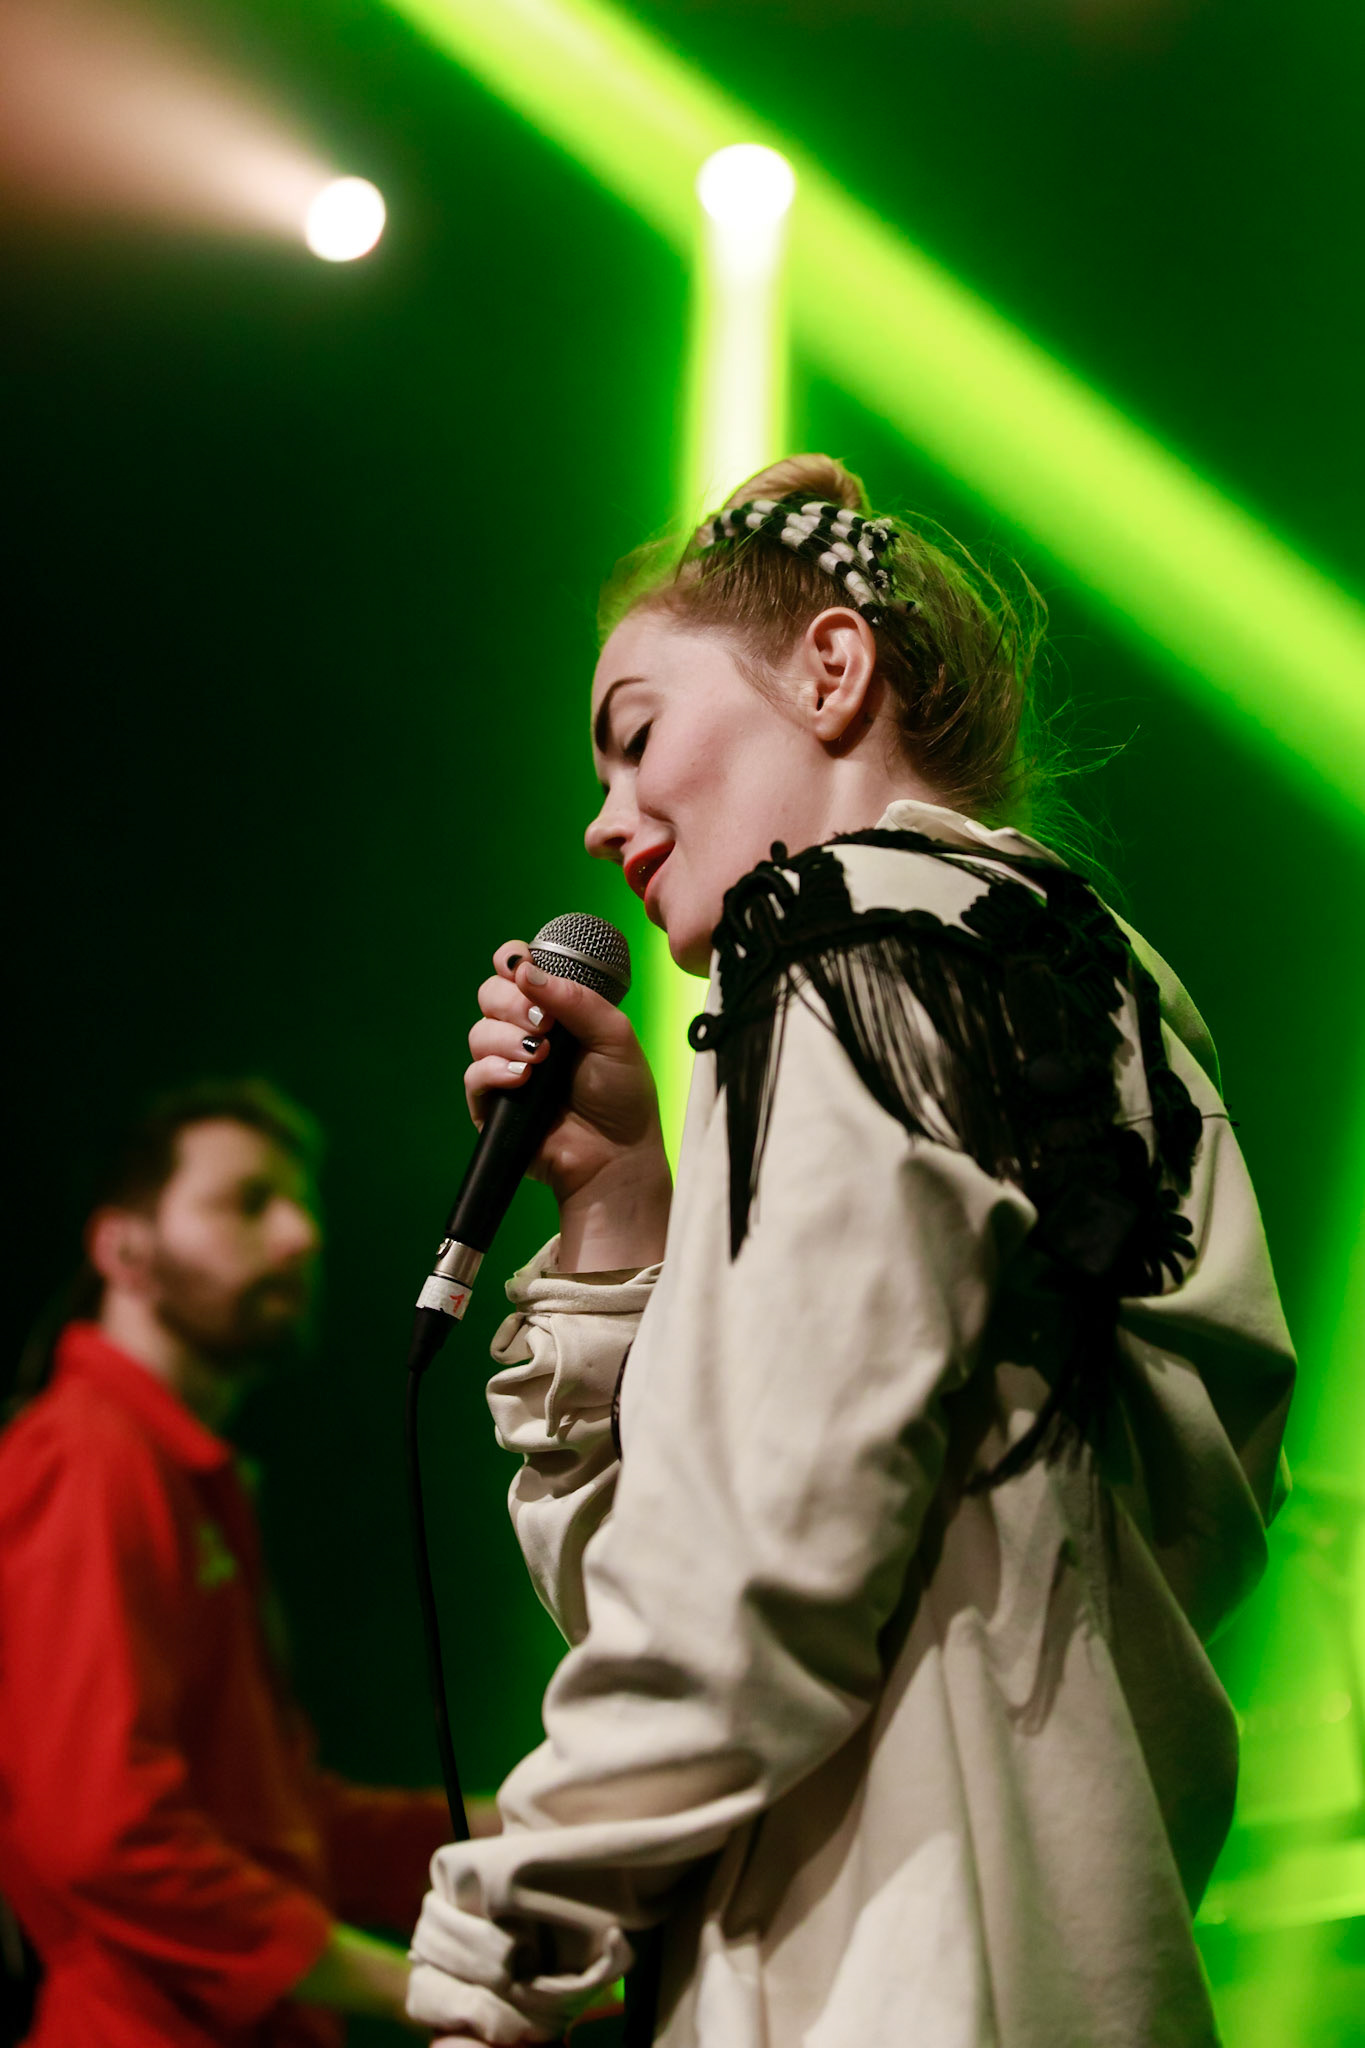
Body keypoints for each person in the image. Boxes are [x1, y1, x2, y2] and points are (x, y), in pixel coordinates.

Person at [405, 457, 1296, 2047]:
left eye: (636, 733)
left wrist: (514, 1908)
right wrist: (616, 1206)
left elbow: (758, 1559)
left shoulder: (853, 940)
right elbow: (735, 1551)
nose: (603, 819)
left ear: (832, 669)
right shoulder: (1081, 987)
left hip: (890, 1978)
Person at [0, 1080, 452, 2046]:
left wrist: (545, 1819)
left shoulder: (173, 1467)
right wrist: (417, 1989)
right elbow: (105, 1834)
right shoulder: (85, 1456)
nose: (300, 1235)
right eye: (248, 1203)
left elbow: (272, 1825)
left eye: (301, 1202)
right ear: (121, 1248)